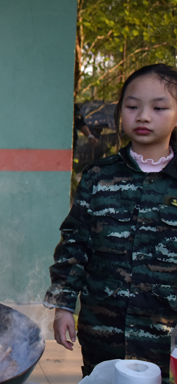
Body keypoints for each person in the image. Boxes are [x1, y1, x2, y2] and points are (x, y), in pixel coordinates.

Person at [44, 63, 177, 383]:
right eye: (132, 106)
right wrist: (63, 306)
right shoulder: (99, 177)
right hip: (103, 327)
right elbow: (74, 245)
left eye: (159, 107)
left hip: (164, 333)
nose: (143, 116)